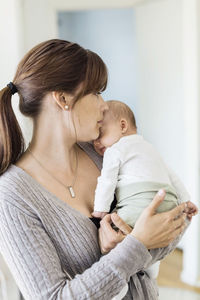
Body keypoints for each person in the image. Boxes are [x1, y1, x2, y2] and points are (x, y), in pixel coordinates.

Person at [0, 39, 196, 300]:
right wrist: (135, 248)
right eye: (96, 92)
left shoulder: (105, 150)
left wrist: (135, 243)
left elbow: (176, 215)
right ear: (62, 99)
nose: (105, 105)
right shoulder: (12, 195)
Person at [92, 100, 197, 299]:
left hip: (139, 206)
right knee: (151, 244)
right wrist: (186, 200)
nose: (96, 143)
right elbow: (171, 175)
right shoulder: (149, 148)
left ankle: (119, 284)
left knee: (114, 233)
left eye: (100, 134)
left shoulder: (115, 150)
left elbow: (106, 181)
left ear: (122, 126)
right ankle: (151, 269)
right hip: (169, 204)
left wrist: (101, 210)